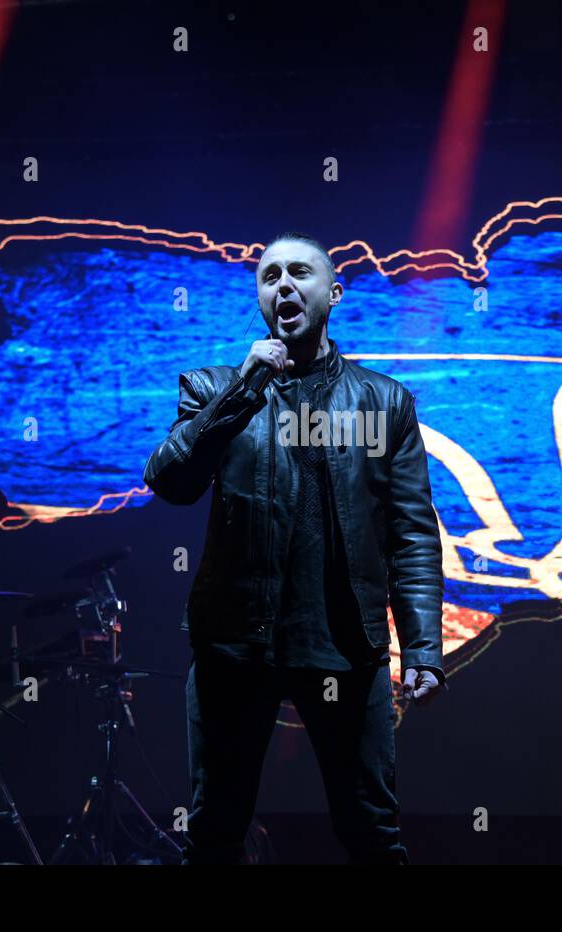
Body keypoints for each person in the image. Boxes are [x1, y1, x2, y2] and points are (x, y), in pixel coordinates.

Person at [143, 230, 446, 864]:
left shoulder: (384, 402)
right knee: (215, 833)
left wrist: (421, 644)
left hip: (343, 643)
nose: (284, 284)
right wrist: (244, 388)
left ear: (332, 293)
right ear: (259, 298)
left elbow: (412, 531)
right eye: (270, 275)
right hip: (234, 645)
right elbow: (170, 480)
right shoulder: (213, 386)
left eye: (300, 273)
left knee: (372, 834)